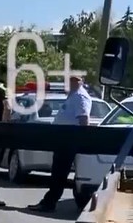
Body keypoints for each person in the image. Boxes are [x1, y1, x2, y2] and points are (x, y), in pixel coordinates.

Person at [29, 74, 92, 212]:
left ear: (79, 82)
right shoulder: (73, 95)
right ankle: (48, 202)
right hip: (63, 141)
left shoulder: (80, 97)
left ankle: (49, 203)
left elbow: (83, 120)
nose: (67, 84)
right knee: (57, 173)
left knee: (59, 174)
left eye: (71, 81)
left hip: (69, 141)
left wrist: (80, 141)